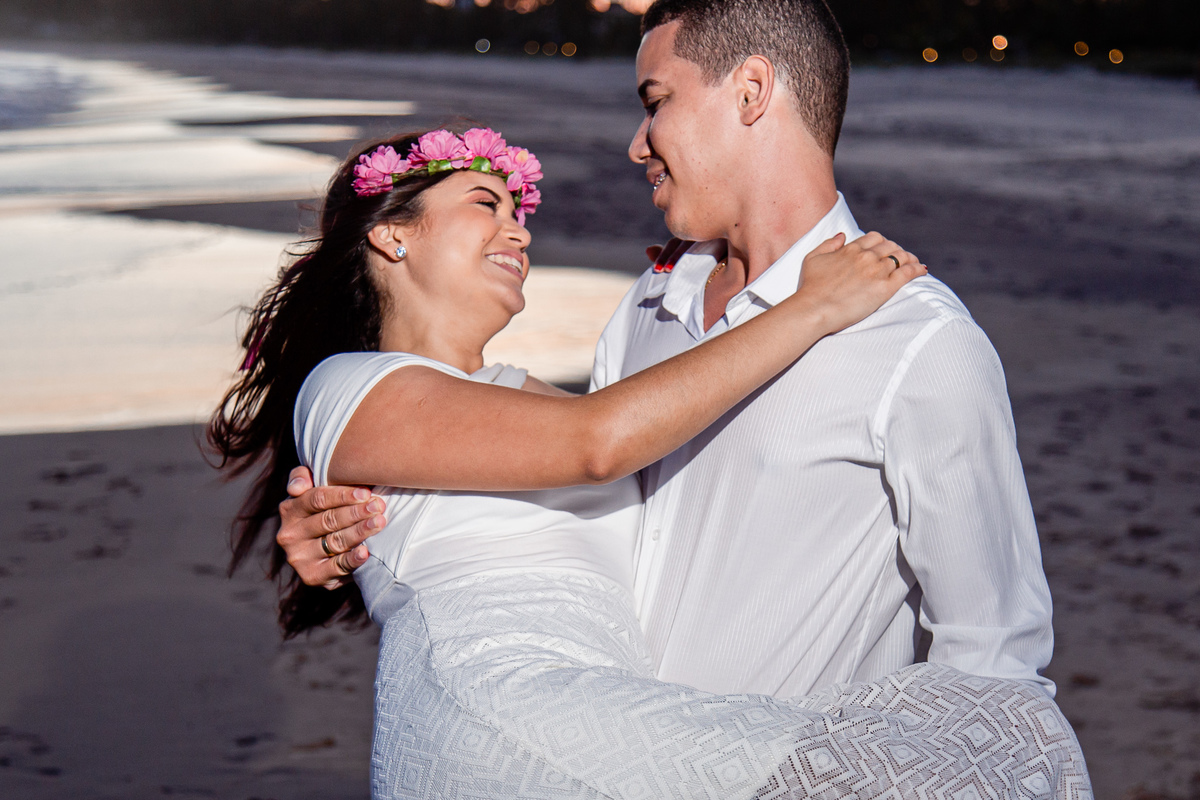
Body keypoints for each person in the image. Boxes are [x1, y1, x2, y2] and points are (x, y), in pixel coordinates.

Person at [211, 127, 1089, 799]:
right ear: (391, 238)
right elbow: (601, 445)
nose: (518, 231)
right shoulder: (349, 387)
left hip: (595, 710)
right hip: (499, 715)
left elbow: (659, 466)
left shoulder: (549, 390)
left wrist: (694, 300)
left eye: (520, 214)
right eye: (487, 204)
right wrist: (810, 308)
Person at [282, 0, 1060, 701]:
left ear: (751, 92)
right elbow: (579, 471)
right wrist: (359, 533)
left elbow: (990, 660)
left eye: (655, 104)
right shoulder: (647, 311)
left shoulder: (914, 339)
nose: (635, 145)